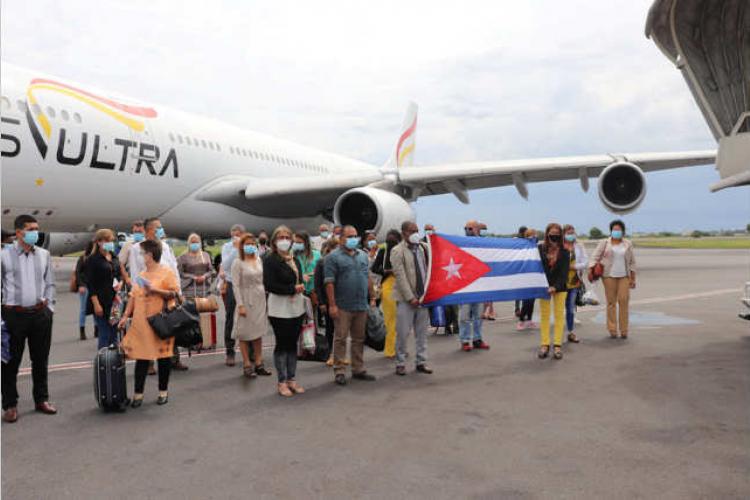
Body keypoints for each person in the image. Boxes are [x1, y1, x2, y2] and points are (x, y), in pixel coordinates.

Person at [1, 215, 57, 423]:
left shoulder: (44, 254)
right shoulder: (4, 255)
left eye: (37, 228)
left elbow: (49, 282)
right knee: (9, 363)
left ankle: (41, 399)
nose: (36, 232)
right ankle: (10, 405)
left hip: (40, 315)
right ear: (18, 233)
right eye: (31, 228)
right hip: (13, 315)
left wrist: (49, 308)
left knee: (40, 360)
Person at [119, 240, 180, 407]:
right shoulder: (142, 275)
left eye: (142, 253)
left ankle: (163, 392)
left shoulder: (166, 272)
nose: (140, 256)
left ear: (150, 255)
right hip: (142, 322)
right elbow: (133, 296)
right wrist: (125, 315)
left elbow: (173, 293)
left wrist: (155, 290)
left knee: (163, 358)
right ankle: (138, 394)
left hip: (161, 321)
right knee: (142, 358)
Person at [325, 225, 377, 385]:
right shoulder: (332, 257)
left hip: (361, 304)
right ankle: (339, 370)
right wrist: (332, 305)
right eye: (349, 236)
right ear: (341, 239)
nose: (353, 239)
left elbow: (367, 276)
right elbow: (329, 283)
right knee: (340, 338)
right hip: (342, 306)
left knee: (359, 339)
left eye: (355, 236)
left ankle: (358, 368)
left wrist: (373, 296)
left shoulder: (362, 255)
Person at [264, 226, 307, 397]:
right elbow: (270, 285)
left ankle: (292, 378)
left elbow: (300, 278)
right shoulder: (270, 260)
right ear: (274, 241)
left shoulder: (294, 259)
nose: (284, 240)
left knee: (292, 345)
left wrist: (301, 285)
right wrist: (292, 289)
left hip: (296, 307)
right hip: (279, 309)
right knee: (282, 345)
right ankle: (281, 381)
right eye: (281, 237)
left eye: (287, 237)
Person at [390, 221, 433, 376]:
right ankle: (400, 362)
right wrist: (410, 297)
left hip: (423, 297)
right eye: (411, 231)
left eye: (416, 230)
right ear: (404, 233)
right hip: (406, 299)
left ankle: (421, 361)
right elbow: (400, 276)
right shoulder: (397, 251)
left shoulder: (423, 248)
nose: (415, 233)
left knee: (422, 333)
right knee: (402, 332)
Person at [231, 233, 272, 378]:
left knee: (258, 332)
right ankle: (247, 364)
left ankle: (259, 363)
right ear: (242, 246)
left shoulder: (258, 260)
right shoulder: (238, 262)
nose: (250, 246)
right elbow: (235, 285)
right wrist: (240, 304)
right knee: (244, 333)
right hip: (246, 298)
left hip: (260, 298)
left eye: (252, 244)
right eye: (247, 244)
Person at [589, 220, 636, 339]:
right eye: (614, 230)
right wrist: (592, 269)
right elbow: (594, 257)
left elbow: (632, 262)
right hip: (608, 276)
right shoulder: (605, 243)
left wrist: (633, 278)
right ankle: (612, 329)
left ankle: (624, 330)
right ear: (611, 231)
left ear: (623, 231)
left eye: (619, 230)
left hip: (624, 276)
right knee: (611, 303)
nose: (616, 232)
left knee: (624, 300)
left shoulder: (628, 244)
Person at [177, 233, 215, 368]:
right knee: (190, 315)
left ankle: (204, 341)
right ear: (188, 243)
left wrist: (204, 276)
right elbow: (179, 272)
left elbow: (211, 270)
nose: (195, 244)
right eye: (192, 242)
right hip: (189, 288)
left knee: (202, 316)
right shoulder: (182, 256)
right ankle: (191, 341)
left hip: (203, 288)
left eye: (197, 241)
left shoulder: (205, 255)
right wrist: (192, 277)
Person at [537, 223, 570, 360]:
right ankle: (544, 344)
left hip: (560, 287)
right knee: (544, 316)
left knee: (558, 316)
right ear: (547, 234)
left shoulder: (565, 252)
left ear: (560, 235)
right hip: (544, 287)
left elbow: (564, 273)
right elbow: (536, 267)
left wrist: (555, 287)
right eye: (552, 233)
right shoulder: (540, 249)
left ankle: (557, 345)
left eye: (557, 233)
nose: (554, 235)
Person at [85, 229, 122, 350]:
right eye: (106, 240)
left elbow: (118, 275)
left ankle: (114, 362)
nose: (110, 243)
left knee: (114, 333)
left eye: (111, 240)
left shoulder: (114, 257)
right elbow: (91, 284)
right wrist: (96, 304)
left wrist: (120, 285)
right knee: (104, 334)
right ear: (98, 242)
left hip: (114, 301)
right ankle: (103, 362)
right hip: (101, 301)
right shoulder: (93, 260)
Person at [459, 220, 490, 351]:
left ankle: (477, 339)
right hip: (465, 286)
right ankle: (465, 340)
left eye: (470, 228)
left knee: (478, 315)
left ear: (477, 229)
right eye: (466, 228)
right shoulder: (460, 243)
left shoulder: (483, 244)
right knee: (465, 315)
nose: (467, 231)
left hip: (479, 285)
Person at [371, 229, 402, 357]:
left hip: (402, 285)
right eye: (389, 240)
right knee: (390, 319)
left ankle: (400, 347)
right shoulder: (383, 251)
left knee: (402, 319)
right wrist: (386, 271)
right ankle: (390, 349)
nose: (391, 242)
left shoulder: (402, 251)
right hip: (388, 285)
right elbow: (374, 268)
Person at [219, 224, 245, 367]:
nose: (235, 236)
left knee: (247, 316)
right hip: (230, 283)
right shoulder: (227, 247)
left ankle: (251, 350)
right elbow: (226, 265)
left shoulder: (248, 245)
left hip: (245, 284)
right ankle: (230, 351)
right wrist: (235, 248)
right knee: (230, 317)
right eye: (233, 234)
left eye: (238, 234)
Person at [314, 239, 339, 366]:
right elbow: (318, 284)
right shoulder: (321, 262)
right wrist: (322, 303)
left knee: (342, 329)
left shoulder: (341, 261)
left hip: (341, 299)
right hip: (328, 300)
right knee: (330, 328)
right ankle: (330, 353)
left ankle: (340, 354)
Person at [562, 225, 588, 343]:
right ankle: (557, 335)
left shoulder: (579, 246)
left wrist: (574, 266)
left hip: (574, 282)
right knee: (559, 309)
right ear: (563, 234)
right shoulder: (559, 246)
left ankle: (570, 332)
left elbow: (585, 262)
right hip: (560, 283)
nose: (571, 235)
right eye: (568, 232)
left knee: (570, 309)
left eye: (573, 232)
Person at [517, 228, 539, 331]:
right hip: (525, 278)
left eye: (535, 235)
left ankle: (529, 320)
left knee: (532, 301)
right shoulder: (523, 248)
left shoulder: (537, 248)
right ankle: (521, 321)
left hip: (534, 277)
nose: (534, 237)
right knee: (526, 301)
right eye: (531, 235)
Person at [75, 240, 96, 340]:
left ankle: (97, 329)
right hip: (85, 287)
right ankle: (82, 331)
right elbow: (78, 272)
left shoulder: (97, 258)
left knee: (96, 308)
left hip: (95, 286)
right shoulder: (83, 258)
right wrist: (81, 285)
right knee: (83, 309)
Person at [118, 220, 145, 288]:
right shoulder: (128, 245)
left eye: (139, 232)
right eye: (135, 232)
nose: (137, 234)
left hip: (147, 277)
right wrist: (126, 278)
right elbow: (120, 263)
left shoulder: (149, 244)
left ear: (145, 231)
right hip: (132, 278)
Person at [293, 231, 320, 297]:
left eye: (299, 243)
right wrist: (301, 276)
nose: (297, 244)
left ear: (306, 243)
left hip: (314, 290)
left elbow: (321, 271)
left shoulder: (317, 254)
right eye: (295, 242)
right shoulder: (293, 256)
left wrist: (314, 273)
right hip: (299, 291)